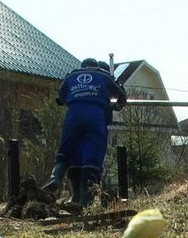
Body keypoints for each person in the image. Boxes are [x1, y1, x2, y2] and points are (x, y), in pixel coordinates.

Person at [42, 58, 127, 206]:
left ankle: (56, 177)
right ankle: (85, 201)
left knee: (69, 151)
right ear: (96, 67)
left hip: (73, 115)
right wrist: (117, 105)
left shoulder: (71, 75)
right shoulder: (104, 75)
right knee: (92, 157)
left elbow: (61, 98)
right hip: (95, 117)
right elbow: (122, 96)